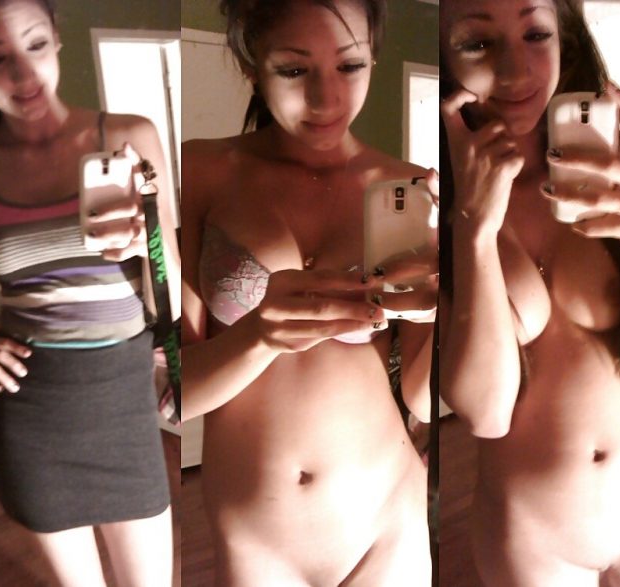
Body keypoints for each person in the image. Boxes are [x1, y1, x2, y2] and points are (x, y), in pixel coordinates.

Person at [440, 0, 620, 585]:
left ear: (565, 41)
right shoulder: (436, 203)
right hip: (531, 541)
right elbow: (485, 412)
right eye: (478, 43)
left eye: (536, 33)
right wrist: (474, 225)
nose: (515, 69)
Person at [0, 0, 180, 584]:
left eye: (35, 44)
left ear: (57, 37)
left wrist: (145, 245)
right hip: (31, 418)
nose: (24, 73)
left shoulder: (131, 135)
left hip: (124, 406)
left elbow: (170, 283)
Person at [182, 0, 437, 584]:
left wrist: (448, 303)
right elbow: (177, 394)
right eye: (295, 70)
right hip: (257, 541)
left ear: (373, 58)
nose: (326, 99)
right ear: (252, 66)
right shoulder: (200, 171)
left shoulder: (405, 185)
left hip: (388, 518)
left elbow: (425, 400)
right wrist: (258, 335)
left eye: (350, 66)